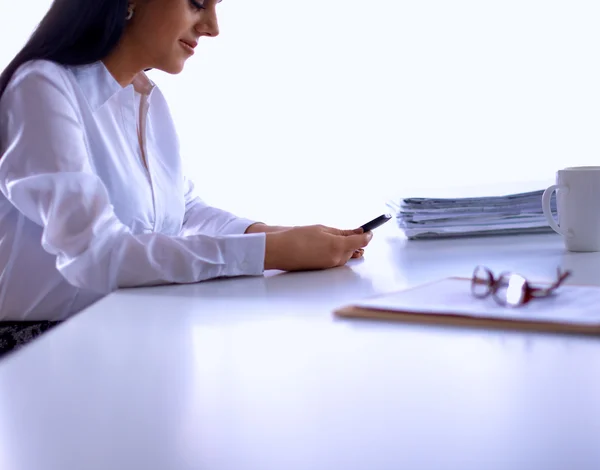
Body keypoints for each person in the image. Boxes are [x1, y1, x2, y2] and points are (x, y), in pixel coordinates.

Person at [0, 0, 373, 354]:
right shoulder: (41, 87)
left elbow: (183, 210)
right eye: (197, 3)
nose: (212, 28)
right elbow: (95, 255)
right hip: (44, 351)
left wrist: (283, 236)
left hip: (126, 334)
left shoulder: (142, 97)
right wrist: (272, 252)